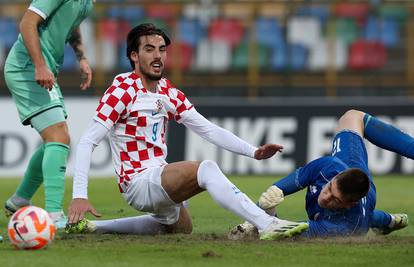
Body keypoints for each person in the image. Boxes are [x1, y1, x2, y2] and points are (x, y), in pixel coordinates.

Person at [65, 23, 308, 240]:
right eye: (149, 49)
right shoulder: (122, 90)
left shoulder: (168, 92)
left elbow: (208, 130)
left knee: (180, 227)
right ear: (134, 56)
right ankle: (267, 224)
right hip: (137, 181)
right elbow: (87, 142)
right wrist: (79, 195)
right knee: (206, 169)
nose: (158, 55)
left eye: (162, 49)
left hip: (158, 175)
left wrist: (253, 152)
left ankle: (95, 227)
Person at [229, 109, 409, 239]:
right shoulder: (330, 166)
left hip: (360, 213)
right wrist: (276, 190)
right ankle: (392, 220)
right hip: (353, 167)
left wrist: (263, 217)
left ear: (348, 204)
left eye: (335, 200)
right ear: (335, 177)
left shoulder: (342, 227)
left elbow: (288, 232)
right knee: (352, 117)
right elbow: (301, 176)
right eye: (330, 188)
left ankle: (389, 220)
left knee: (368, 218)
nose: (325, 197)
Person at [3, 0, 94, 228]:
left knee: (55, 141)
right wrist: (39, 65)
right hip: (27, 67)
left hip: (46, 68)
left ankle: (20, 200)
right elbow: (27, 23)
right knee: (59, 137)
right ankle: (54, 216)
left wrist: (81, 57)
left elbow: (72, 23)